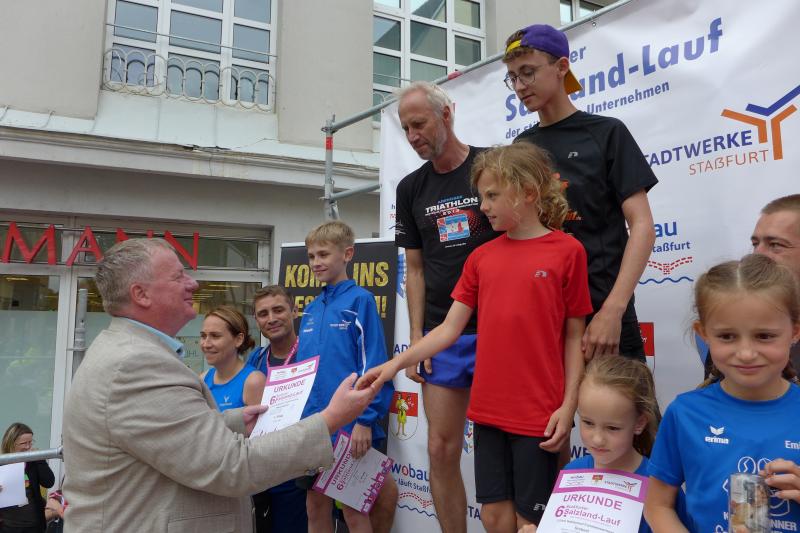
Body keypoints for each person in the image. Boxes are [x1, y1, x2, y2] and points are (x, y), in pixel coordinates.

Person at [61, 238, 377, 532]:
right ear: (141, 294)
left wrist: (236, 422)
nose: (193, 284)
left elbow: (170, 436)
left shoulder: (131, 352)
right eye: (178, 277)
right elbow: (231, 466)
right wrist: (330, 420)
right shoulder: (136, 363)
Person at [360, 142, 592, 532]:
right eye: (482, 196)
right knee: (494, 517)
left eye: (492, 196)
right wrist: (393, 365)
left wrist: (568, 407)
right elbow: (448, 329)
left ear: (528, 193)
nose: (483, 207)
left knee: (531, 523)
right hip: (487, 412)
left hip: (538, 413)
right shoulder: (481, 258)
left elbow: (574, 339)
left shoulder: (568, 252)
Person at [504, 24, 657, 361]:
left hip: (601, 316)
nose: (520, 86)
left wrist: (613, 310)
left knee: (618, 398)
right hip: (543, 316)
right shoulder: (521, 146)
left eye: (528, 72)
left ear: (561, 67)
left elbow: (643, 226)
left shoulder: (607, 133)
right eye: (513, 77)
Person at [394, 80, 500, 533]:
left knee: (509, 447)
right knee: (440, 449)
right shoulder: (409, 188)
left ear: (446, 114)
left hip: (499, 331)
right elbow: (415, 270)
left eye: (419, 124)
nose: (413, 135)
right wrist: (417, 338)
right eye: (405, 128)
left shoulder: (492, 166)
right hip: (443, 334)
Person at [644, 254, 800, 532]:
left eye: (764, 336)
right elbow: (657, 505)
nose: (746, 353)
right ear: (703, 333)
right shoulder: (685, 414)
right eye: (727, 336)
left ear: (794, 332)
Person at [247, 285, 399, 533]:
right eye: (263, 314)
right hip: (290, 452)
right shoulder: (257, 359)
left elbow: (368, 370)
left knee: (364, 505)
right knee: (315, 508)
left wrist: (364, 421)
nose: (271, 319)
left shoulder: (316, 345)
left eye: (278, 310)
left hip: (333, 434)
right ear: (256, 319)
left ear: (294, 311)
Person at [294, 221, 395, 533]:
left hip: (351, 426)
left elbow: (374, 365)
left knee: (353, 510)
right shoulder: (311, 310)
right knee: (314, 507)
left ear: (347, 254)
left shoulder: (360, 300)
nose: (316, 262)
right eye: (311, 256)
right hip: (315, 425)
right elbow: (302, 372)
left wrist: (365, 421)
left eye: (323, 254)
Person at [563, 356, 692, 532]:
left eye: (612, 428)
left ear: (639, 423)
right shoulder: (571, 473)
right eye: (588, 423)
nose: (597, 439)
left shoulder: (660, 486)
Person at [201, 306, 265, 412]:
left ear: (238, 340)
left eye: (215, 336)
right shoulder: (203, 379)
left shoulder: (254, 382)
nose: (206, 344)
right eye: (203, 336)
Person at [0, 422, 55, 533]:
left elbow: (49, 482)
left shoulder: (32, 461)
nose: (28, 446)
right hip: (8, 526)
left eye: (30, 442)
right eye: (23, 443)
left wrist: (39, 459)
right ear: (11, 443)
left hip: (34, 525)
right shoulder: (2, 462)